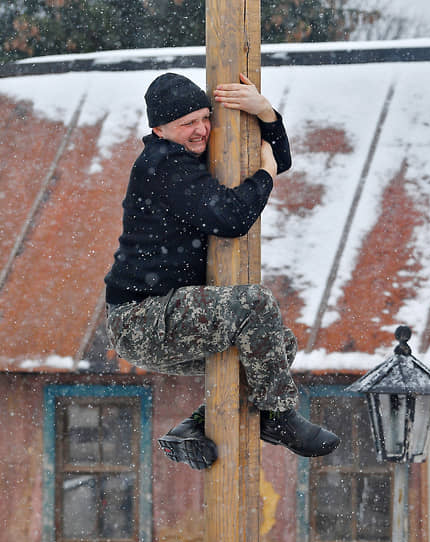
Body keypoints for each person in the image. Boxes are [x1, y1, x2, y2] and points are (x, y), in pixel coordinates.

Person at [104, 72, 339, 470]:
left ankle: (195, 426)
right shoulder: (163, 164)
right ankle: (279, 418)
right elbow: (229, 217)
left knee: (275, 347)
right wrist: (262, 178)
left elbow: (276, 159)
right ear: (159, 129)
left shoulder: (192, 155)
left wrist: (266, 114)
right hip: (141, 319)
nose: (200, 130)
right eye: (187, 124)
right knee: (254, 303)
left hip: (170, 314)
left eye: (203, 118)